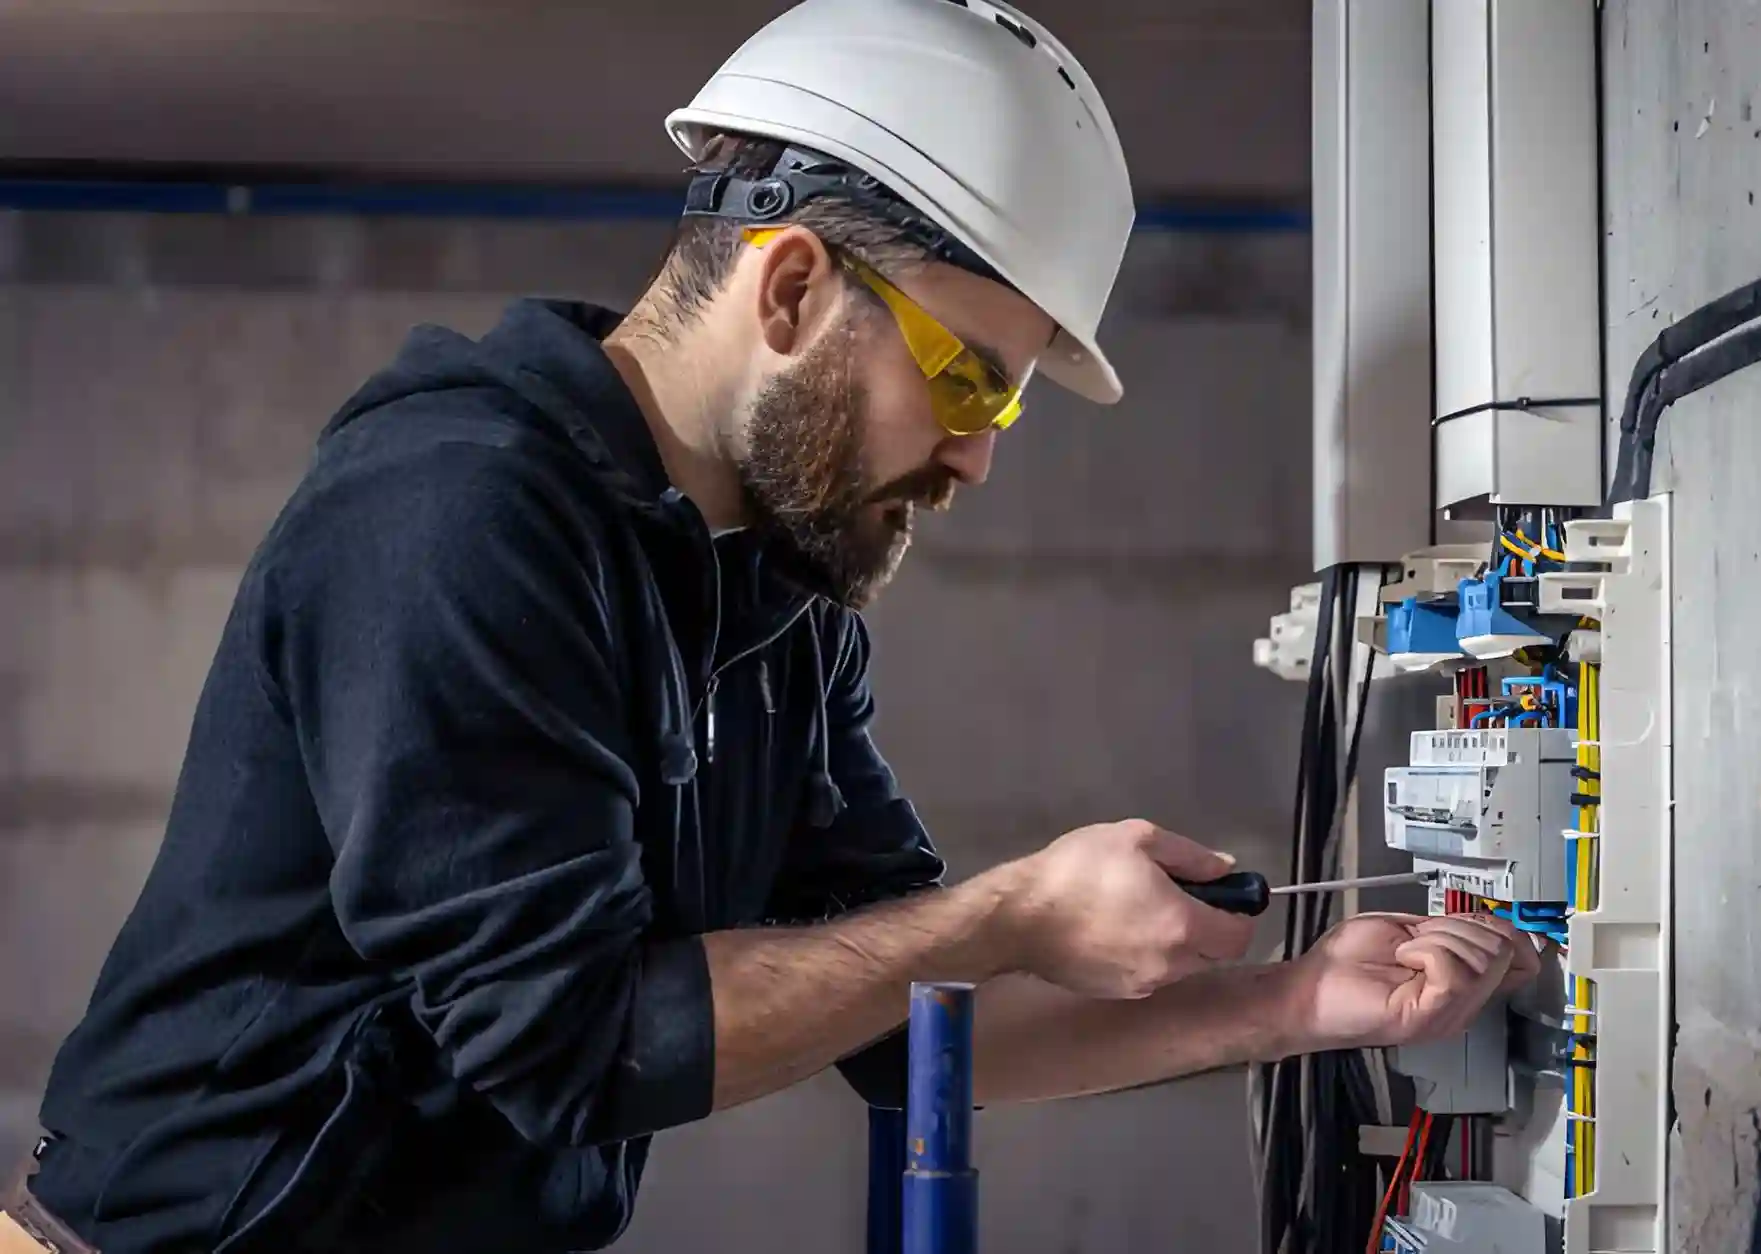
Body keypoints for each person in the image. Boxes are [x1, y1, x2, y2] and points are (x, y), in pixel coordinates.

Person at [6, 1, 1540, 1250]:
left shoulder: (781, 609)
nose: (979, 455)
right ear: (793, 284)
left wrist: (1298, 1001)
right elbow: (576, 1042)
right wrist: (1005, 909)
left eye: (1004, 401)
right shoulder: (458, 515)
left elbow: (909, 1028)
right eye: (967, 379)